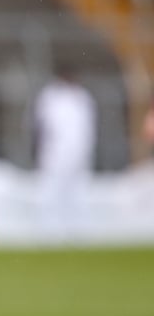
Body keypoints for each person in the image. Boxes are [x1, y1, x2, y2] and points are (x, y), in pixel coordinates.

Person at [33, 64, 96, 240]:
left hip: (80, 151)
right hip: (54, 151)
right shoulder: (50, 96)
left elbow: (88, 127)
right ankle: (48, 229)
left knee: (78, 189)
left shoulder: (82, 96)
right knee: (51, 188)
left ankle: (77, 229)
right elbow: (41, 126)